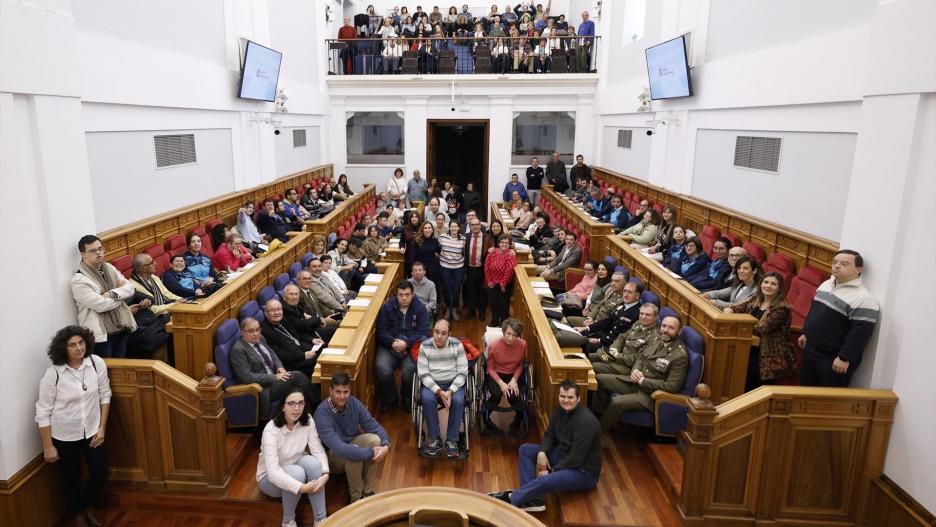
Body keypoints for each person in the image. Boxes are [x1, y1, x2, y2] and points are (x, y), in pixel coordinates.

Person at [36, 326, 111, 527]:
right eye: (72, 345)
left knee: (99, 472)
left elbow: (105, 395)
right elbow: (42, 412)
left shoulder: (96, 363)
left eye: (81, 343)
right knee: (70, 477)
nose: (79, 348)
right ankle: (78, 513)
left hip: (93, 431)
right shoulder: (54, 374)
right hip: (64, 435)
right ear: (63, 348)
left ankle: (86, 506)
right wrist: (48, 445)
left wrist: (102, 427)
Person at [488, 379, 601, 512]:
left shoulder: (586, 422)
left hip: (582, 472)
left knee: (547, 480)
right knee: (525, 450)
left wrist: (552, 471)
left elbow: (577, 458)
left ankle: (513, 498)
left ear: (578, 398)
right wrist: (542, 452)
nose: (565, 400)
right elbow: (549, 435)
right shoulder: (559, 410)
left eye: (570, 397)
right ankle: (531, 499)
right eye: (562, 396)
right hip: (563, 455)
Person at [592, 315, 689, 432]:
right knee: (598, 379)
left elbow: (672, 386)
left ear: (679, 331)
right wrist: (636, 370)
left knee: (616, 402)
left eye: (671, 328)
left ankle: (598, 432)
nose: (665, 330)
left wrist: (643, 381)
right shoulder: (657, 339)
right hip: (634, 382)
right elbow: (641, 357)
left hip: (649, 395)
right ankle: (598, 417)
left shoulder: (679, 356)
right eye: (664, 326)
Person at [798, 250, 879, 387]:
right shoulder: (826, 284)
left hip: (832, 359)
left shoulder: (864, 298)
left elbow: (860, 333)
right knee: (805, 390)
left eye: (844, 264)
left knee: (826, 400)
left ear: (859, 269)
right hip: (811, 348)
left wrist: (844, 357)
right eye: (835, 262)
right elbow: (814, 310)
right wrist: (806, 332)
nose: (836, 266)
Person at [257, 387, 329, 527]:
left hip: (295, 464)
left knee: (314, 464)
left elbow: (318, 450)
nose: (297, 408)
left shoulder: (307, 419)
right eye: (291, 403)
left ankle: (321, 520)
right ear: (283, 406)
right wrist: (302, 488)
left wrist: (325, 473)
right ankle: (288, 521)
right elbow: (273, 473)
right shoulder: (271, 430)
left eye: (300, 403)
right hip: (269, 479)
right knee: (297, 473)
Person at [314, 373, 390, 503]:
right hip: (331, 457)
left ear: (350, 390)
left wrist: (386, 445)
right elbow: (339, 448)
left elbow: (372, 424)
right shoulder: (322, 414)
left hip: (350, 444)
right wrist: (372, 453)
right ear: (330, 391)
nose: (342, 396)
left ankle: (367, 491)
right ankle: (356, 498)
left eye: (346, 392)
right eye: (338, 392)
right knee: (353, 454)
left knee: (375, 440)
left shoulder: (353, 402)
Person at [725, 272, 797, 391]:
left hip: (766, 356)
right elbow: (736, 307)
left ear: (779, 289)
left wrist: (738, 322)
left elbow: (761, 329)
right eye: (766, 282)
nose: (768, 286)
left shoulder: (781, 309)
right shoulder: (756, 298)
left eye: (773, 284)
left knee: (748, 381)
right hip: (749, 345)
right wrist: (730, 310)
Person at [229, 317, 312, 418]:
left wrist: (280, 367)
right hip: (263, 388)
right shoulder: (238, 350)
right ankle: (317, 405)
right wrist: (275, 377)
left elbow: (272, 354)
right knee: (296, 376)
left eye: (257, 330)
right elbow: (247, 377)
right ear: (242, 332)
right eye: (251, 331)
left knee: (297, 386)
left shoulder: (260, 338)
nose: (255, 334)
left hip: (274, 377)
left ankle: (305, 412)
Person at [71, 235, 137, 359]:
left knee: (121, 367)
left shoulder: (109, 268)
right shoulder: (79, 280)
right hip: (101, 335)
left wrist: (110, 294)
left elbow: (131, 288)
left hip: (120, 326)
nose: (98, 253)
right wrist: (120, 295)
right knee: (106, 372)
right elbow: (101, 305)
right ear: (82, 254)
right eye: (93, 251)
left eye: (100, 249)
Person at [374, 281, 431, 411]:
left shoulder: (420, 308)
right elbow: (381, 330)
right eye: (401, 295)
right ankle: (390, 398)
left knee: (409, 371)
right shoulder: (387, 307)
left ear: (412, 295)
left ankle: (407, 398)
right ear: (396, 294)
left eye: (407, 295)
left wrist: (407, 343)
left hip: (412, 346)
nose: (404, 298)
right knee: (381, 368)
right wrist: (393, 342)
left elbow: (424, 331)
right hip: (390, 345)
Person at [417, 320, 470, 458]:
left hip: (453, 383)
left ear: (450, 335)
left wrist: (451, 390)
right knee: (427, 399)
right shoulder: (424, 346)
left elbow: (462, 372)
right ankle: (435, 439)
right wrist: (439, 391)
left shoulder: (457, 345)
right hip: (432, 383)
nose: (438, 336)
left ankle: (452, 440)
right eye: (436, 332)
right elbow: (423, 374)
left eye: (443, 333)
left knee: (458, 401)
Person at [562, 277, 641, 349]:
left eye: (629, 292)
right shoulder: (625, 306)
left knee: (584, 345)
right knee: (576, 335)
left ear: (637, 296)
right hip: (604, 336)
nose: (626, 294)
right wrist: (586, 328)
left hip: (612, 344)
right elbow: (608, 321)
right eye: (625, 291)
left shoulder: (637, 313)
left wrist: (599, 340)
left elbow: (622, 336)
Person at [484, 318, 528, 437]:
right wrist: (501, 383)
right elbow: (490, 368)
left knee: (513, 396)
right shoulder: (494, 345)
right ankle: (486, 419)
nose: (510, 338)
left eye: (514, 335)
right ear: (503, 332)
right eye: (508, 334)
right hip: (496, 374)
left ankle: (518, 420)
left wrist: (514, 380)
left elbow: (520, 365)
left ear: (518, 335)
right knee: (497, 395)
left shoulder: (522, 345)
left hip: (513, 374)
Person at [589, 303, 660, 374]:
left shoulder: (655, 336)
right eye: (641, 313)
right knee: (589, 356)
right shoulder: (638, 324)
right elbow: (622, 337)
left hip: (626, 367)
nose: (643, 317)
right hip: (615, 357)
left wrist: (617, 355)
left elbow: (638, 358)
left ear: (656, 317)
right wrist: (614, 348)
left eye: (647, 315)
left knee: (593, 366)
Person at [485, 235, 518, 327]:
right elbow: (486, 267)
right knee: (494, 303)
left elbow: (509, 271)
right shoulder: (492, 253)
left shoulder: (511, 255)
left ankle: (504, 324)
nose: (504, 244)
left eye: (507, 243)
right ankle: (494, 321)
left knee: (504, 305)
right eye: (502, 242)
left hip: (506, 285)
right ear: (499, 243)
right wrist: (489, 281)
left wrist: (503, 284)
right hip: (493, 283)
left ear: (510, 245)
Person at [463, 216, 490, 321]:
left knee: (482, 291)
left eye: (477, 224)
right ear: (470, 226)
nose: (475, 226)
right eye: (472, 225)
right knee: (471, 290)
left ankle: (482, 311)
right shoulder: (466, 237)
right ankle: (471, 311)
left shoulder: (486, 237)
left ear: (480, 225)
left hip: (482, 268)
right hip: (469, 268)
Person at [438, 220, 466, 320]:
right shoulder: (442, 237)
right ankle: (448, 308)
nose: (454, 228)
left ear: (459, 228)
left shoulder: (463, 239)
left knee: (456, 288)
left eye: (456, 226)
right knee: (446, 287)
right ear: (449, 228)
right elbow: (437, 249)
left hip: (458, 267)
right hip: (445, 266)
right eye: (452, 226)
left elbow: (464, 252)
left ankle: (454, 308)